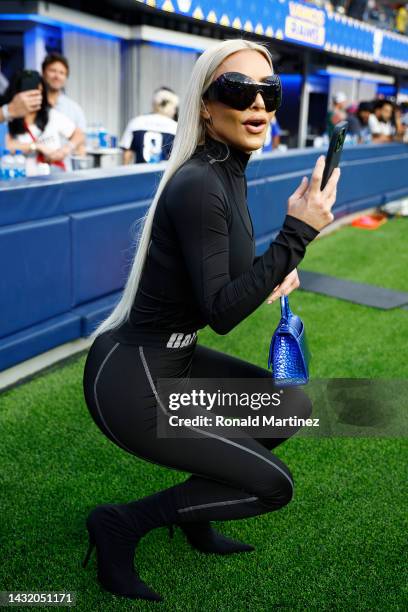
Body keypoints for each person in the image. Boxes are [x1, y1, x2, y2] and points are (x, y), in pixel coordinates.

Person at [82, 39, 340, 603]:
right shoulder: (202, 180)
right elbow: (222, 313)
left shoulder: (228, 169)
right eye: (236, 89)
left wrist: (276, 270)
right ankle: (120, 523)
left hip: (172, 360)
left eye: (267, 92)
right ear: (204, 103)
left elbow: (218, 284)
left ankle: (197, 510)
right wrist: (297, 234)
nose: (257, 104)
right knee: (274, 486)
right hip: (135, 383)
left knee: (291, 404)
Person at [5, 70, 84, 175]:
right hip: (24, 181)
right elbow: (7, 146)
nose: (36, 98)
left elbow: (78, 134)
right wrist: (38, 147)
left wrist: (64, 150)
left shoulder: (52, 115)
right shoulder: (9, 118)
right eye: (31, 94)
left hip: (55, 177)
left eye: (39, 93)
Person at [41, 52, 86, 159]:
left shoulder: (74, 109)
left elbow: (81, 141)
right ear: (43, 73)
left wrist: (66, 149)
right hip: (35, 169)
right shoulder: (32, 105)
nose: (57, 76)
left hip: (65, 170)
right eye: (53, 71)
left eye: (62, 73)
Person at [120, 86, 179, 164]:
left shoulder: (136, 122)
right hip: (164, 174)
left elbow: (127, 155)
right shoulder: (175, 127)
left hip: (139, 173)